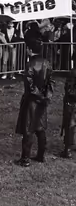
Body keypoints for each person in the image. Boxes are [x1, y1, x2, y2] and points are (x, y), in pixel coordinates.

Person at [15, 39, 54, 167]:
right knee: (40, 128)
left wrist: (37, 96)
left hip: (32, 100)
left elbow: (30, 86)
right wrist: (46, 97)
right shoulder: (47, 63)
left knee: (29, 129)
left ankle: (25, 159)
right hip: (42, 99)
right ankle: (41, 155)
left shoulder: (30, 64)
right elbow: (51, 82)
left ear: (30, 50)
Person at [61, 51, 76, 159]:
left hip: (72, 102)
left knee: (70, 125)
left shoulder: (73, 72)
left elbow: (69, 90)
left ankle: (68, 150)